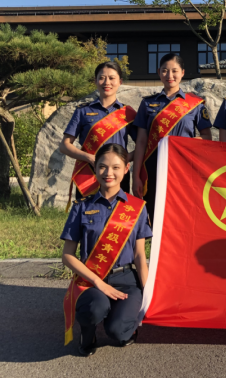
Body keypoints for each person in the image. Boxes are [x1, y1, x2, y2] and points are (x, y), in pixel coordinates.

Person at [61, 143, 151, 357]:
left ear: (126, 169)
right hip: (92, 278)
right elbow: (67, 255)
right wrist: (98, 282)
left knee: (118, 332)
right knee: (94, 308)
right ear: (95, 168)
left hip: (126, 279)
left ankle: (120, 323)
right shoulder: (81, 206)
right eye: (102, 167)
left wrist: (148, 292)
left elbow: (139, 255)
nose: (108, 173)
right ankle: (88, 333)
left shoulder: (137, 207)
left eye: (115, 167)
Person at [132, 53, 212, 223]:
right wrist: (136, 176)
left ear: (182, 72)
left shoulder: (195, 104)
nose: (170, 75)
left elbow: (207, 138)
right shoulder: (147, 104)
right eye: (165, 71)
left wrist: (180, 144)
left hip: (184, 168)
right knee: (154, 214)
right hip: (153, 167)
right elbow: (141, 142)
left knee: (182, 215)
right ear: (158, 72)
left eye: (174, 71)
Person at [60, 61, 137, 208]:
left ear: (120, 82)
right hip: (89, 173)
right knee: (87, 214)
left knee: (116, 215)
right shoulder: (83, 111)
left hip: (118, 175)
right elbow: (64, 145)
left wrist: (123, 160)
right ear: (95, 81)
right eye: (102, 78)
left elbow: (142, 144)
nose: (107, 82)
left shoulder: (128, 112)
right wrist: (89, 158)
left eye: (112, 78)